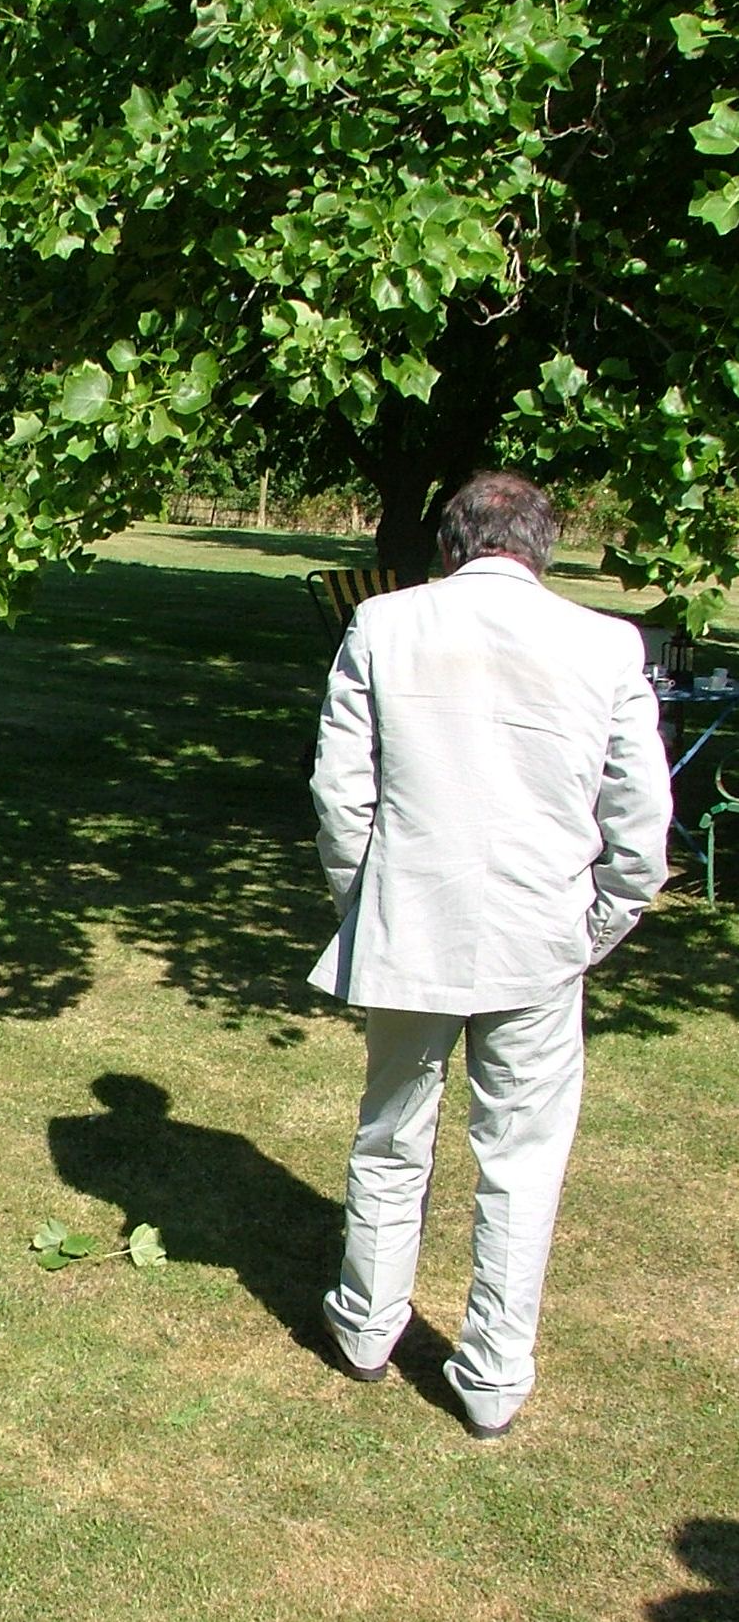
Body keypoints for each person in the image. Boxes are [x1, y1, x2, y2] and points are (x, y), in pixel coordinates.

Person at [309, 470, 671, 1438]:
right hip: (538, 936)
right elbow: (641, 830)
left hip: (423, 925)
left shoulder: (385, 623)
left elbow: (340, 798)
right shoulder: (603, 643)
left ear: (450, 544)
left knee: (391, 1133)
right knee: (521, 1159)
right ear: (541, 547)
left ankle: (366, 1327)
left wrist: (367, 905)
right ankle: (493, 1375)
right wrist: (590, 929)